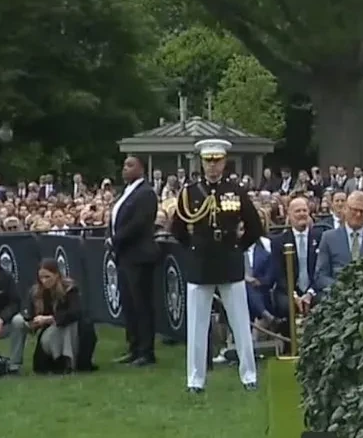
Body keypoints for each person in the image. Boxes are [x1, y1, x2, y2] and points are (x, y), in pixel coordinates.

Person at [170, 139, 263, 394]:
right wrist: (192, 247)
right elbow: (177, 227)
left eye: (217, 161)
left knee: (240, 322)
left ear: (224, 162)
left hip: (228, 260)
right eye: (208, 161)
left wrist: (238, 247)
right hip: (200, 263)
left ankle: (249, 375)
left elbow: (255, 226)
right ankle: (195, 380)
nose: (213, 166)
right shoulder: (190, 192)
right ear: (202, 162)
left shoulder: (236, 190)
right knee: (197, 325)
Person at [106, 155, 159, 367]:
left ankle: (146, 351)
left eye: (130, 165)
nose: (124, 169)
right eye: (124, 165)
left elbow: (139, 223)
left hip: (140, 255)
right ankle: (134, 346)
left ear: (141, 169)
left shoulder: (146, 193)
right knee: (129, 304)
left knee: (142, 304)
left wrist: (115, 238)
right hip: (125, 255)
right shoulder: (126, 192)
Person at [17, 258, 98, 374]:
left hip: (69, 326)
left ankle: (67, 359)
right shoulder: (35, 292)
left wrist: (50, 319)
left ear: (56, 275)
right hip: (48, 328)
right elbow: (31, 314)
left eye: (47, 277)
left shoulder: (70, 289)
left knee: (66, 328)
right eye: (41, 277)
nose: (44, 281)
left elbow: (75, 312)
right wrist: (32, 322)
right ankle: (60, 360)